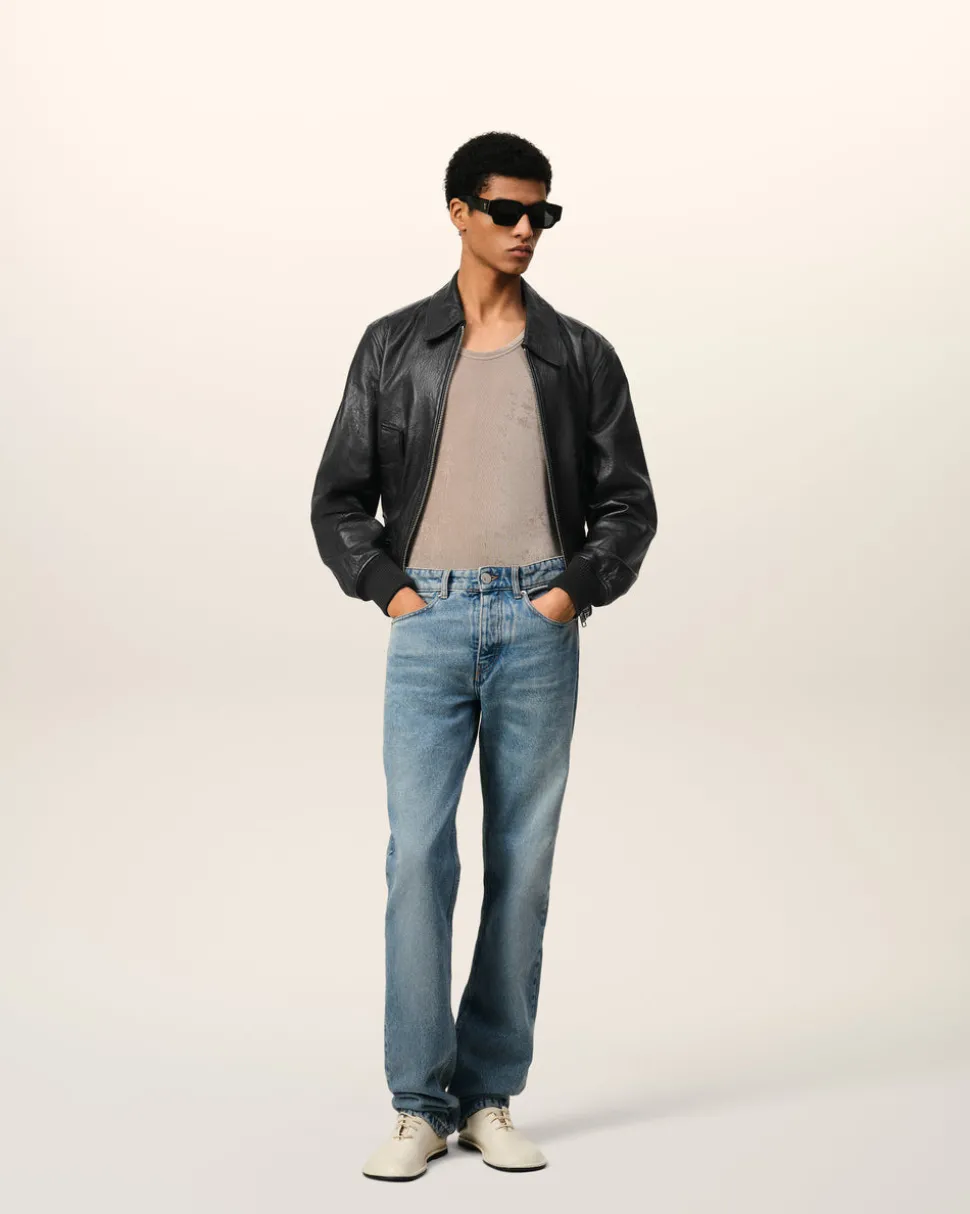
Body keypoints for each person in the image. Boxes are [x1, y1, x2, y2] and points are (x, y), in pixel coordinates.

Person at [310, 131, 658, 1181]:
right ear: (458, 212)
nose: (524, 230)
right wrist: (392, 588)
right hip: (430, 621)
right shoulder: (392, 346)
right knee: (419, 856)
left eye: (540, 214)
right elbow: (338, 498)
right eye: (505, 210)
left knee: (523, 862)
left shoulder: (580, 355)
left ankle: (488, 1095)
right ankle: (418, 1104)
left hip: (537, 623)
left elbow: (628, 503)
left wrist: (570, 591)